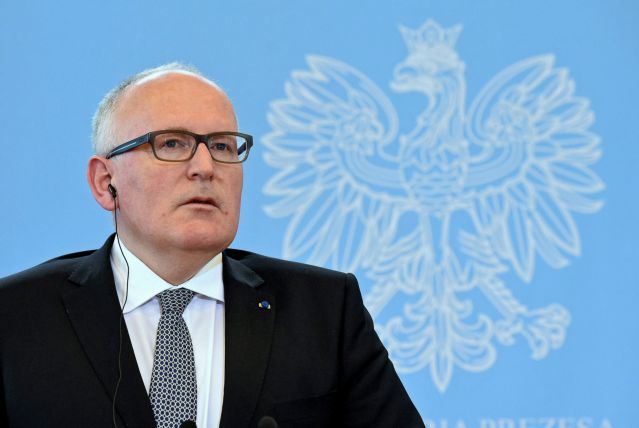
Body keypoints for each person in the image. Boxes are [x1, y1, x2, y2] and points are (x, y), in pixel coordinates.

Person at [0, 63, 424, 428]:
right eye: (171, 143)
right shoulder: (15, 315)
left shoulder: (325, 309)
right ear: (104, 181)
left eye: (222, 146)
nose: (205, 167)